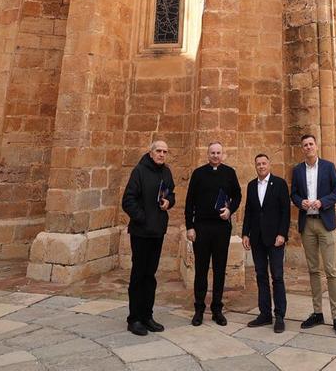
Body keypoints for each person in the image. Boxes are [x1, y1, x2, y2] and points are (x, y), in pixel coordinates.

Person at [290, 134, 336, 337]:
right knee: (313, 270)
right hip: (308, 225)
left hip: (325, 224)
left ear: (316, 146)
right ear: (302, 148)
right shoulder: (297, 170)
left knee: (331, 271)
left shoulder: (328, 167)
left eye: (311, 144)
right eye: (305, 145)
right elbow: (294, 193)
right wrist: (300, 202)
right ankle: (317, 312)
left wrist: (323, 202)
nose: (308, 147)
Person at [121, 139, 176, 336]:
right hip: (141, 232)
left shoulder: (166, 172)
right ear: (151, 153)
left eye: (165, 151)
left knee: (150, 276)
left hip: (157, 232)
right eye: (159, 151)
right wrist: (143, 218)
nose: (162, 154)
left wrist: (168, 202)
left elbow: (172, 194)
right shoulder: (139, 171)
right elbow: (128, 200)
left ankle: (147, 315)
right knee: (138, 275)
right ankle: (134, 318)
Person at [184, 141, 242, 326]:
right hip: (201, 227)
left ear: (222, 154)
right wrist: (189, 226)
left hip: (221, 228)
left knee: (219, 269)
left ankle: (217, 308)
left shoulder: (229, 173)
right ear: (207, 154)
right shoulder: (198, 174)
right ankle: (199, 309)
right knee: (201, 269)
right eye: (212, 153)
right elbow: (189, 202)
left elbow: (238, 195)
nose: (216, 156)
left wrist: (230, 210)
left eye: (218, 153)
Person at [242, 153, 291, 333]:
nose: (261, 166)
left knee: (277, 276)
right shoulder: (251, 185)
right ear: (255, 166)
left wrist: (282, 234)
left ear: (269, 165)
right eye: (258, 164)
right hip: (257, 238)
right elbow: (249, 211)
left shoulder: (279, 184)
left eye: (264, 163)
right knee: (260, 275)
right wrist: (245, 233)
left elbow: (285, 211)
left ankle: (279, 316)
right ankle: (264, 314)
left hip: (275, 239)